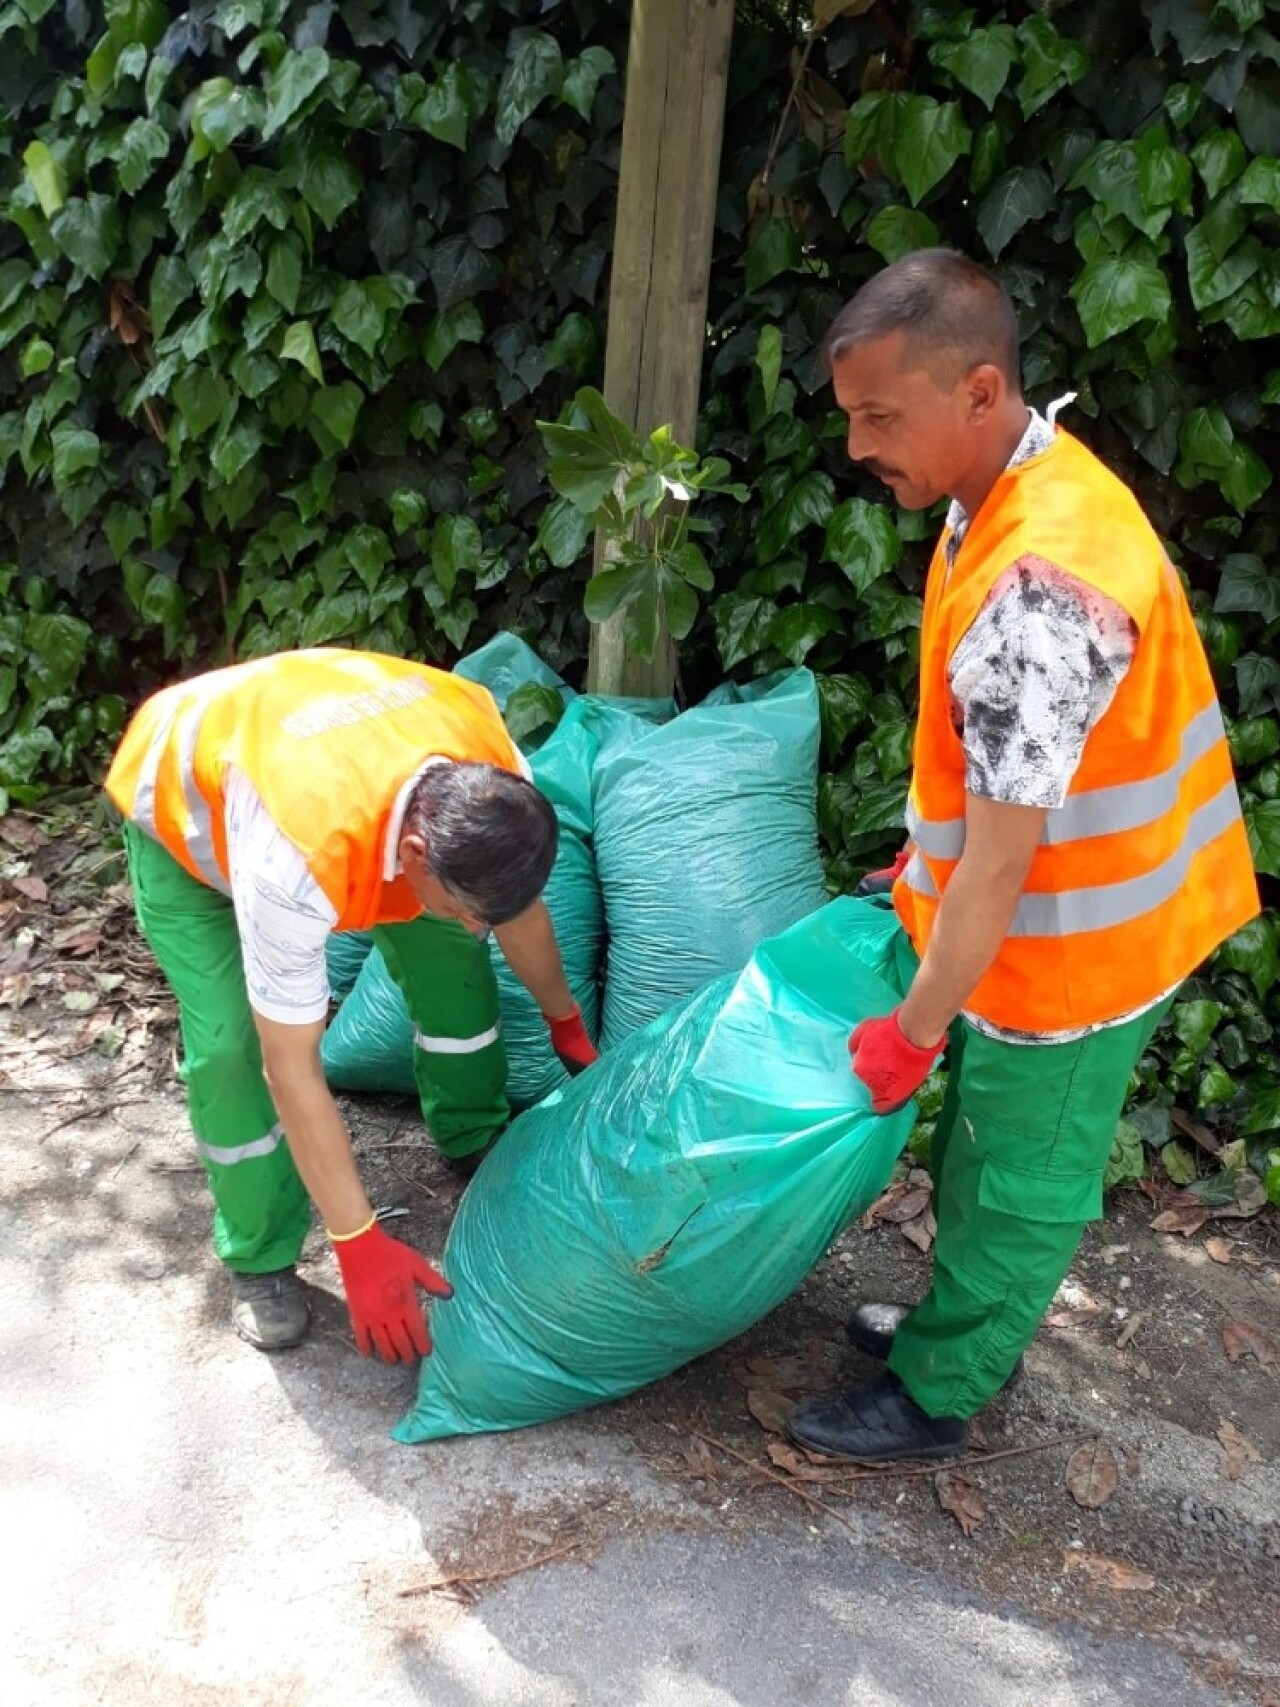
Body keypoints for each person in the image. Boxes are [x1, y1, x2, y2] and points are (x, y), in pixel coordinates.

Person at [787, 250, 1260, 1464]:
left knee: (1018, 1183)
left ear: (978, 393)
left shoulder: (1037, 601)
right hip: (1047, 918)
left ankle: (943, 1388)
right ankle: (952, 1318)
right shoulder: (1003, 484)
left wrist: (911, 1028)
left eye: (878, 418)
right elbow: (987, 790)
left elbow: (999, 865)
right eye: (850, 419)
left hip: (1078, 952)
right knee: (977, 1150)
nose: (856, 449)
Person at [105, 647, 597, 1360]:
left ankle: (470, 1132)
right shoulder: (296, 860)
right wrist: (358, 1241)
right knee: (232, 1048)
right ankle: (261, 1255)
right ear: (419, 852)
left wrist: (567, 1024)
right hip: (191, 818)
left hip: (319, 751)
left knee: (455, 960)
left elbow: (515, 916)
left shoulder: (492, 776)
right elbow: (291, 1066)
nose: (477, 924)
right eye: (466, 907)